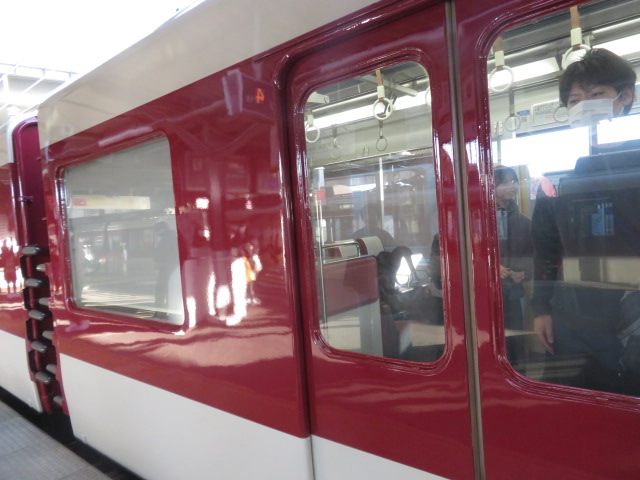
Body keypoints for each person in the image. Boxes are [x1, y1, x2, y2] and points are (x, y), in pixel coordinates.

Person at [531, 48, 639, 395]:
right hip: (575, 314)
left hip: (633, 309)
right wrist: (541, 308)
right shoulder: (555, 179)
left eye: (596, 94)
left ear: (625, 97)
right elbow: (546, 249)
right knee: (574, 400)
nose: (584, 106)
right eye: (574, 101)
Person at [494, 166, 533, 368]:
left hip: (513, 292)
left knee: (515, 340)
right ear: (492, 186)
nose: (512, 186)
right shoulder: (479, 220)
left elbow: (532, 254)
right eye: (505, 182)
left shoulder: (524, 222)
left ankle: (518, 376)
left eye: (514, 181)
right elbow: (469, 253)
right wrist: (492, 267)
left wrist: (524, 272)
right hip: (487, 295)